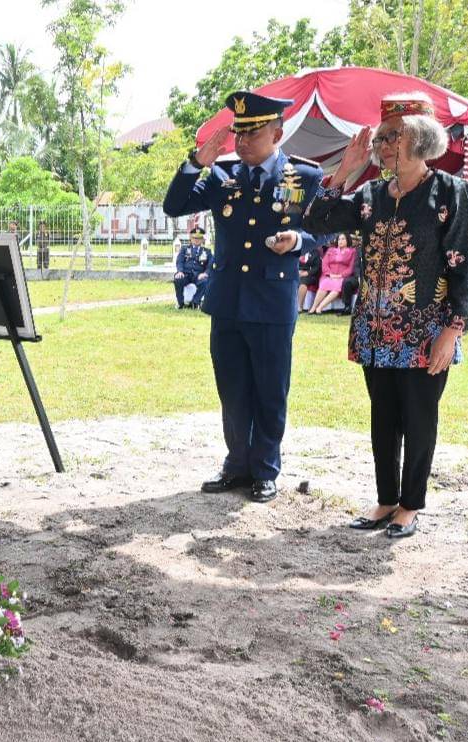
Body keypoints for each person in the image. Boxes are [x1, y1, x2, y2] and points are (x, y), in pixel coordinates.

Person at [304, 92, 468, 539]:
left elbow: (464, 264)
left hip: (425, 332)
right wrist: (344, 171)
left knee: (419, 419)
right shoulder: (371, 195)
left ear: (420, 138)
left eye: (391, 137)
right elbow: (317, 221)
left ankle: (409, 505)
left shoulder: (450, 192)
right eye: (380, 139)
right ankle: (385, 500)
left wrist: (453, 330)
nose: (381, 147)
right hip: (375, 330)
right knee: (382, 419)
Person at [163, 90, 324, 503]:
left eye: (253, 133)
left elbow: (323, 230)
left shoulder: (303, 177)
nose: (243, 141)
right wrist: (197, 163)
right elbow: (174, 205)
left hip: (272, 303)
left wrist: (297, 241)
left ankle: (265, 469)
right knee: (232, 390)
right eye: (239, 133)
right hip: (229, 301)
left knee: (270, 390)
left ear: (277, 134)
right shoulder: (222, 176)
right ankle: (236, 464)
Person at [309, 233, 356, 314]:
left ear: (347, 240)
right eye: (339, 239)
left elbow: (350, 268)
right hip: (328, 275)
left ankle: (319, 308)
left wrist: (340, 275)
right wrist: (330, 274)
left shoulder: (352, 251)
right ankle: (313, 308)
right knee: (324, 284)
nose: (340, 241)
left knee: (337, 287)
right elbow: (325, 263)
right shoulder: (331, 250)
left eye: (343, 239)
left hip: (342, 276)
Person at [297, 244, 323, 312]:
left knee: (303, 283)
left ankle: (300, 306)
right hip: (297, 273)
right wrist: (297, 271)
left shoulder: (315, 252)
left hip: (310, 275)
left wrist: (307, 273)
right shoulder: (298, 251)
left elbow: (316, 267)